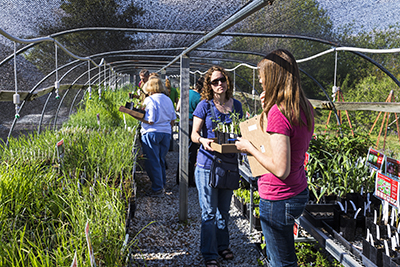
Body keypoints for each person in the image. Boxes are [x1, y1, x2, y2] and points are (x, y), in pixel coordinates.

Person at [235, 49, 315, 267]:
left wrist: (249, 147)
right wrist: (266, 110)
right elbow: (284, 144)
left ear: (273, 77)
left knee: (281, 262)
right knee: (284, 256)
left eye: (263, 78)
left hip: (278, 196)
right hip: (297, 190)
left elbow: (280, 168)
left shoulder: (279, 113)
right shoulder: (304, 106)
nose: (261, 82)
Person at [191, 66, 243, 267]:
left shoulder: (236, 105)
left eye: (222, 80)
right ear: (209, 86)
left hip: (228, 164)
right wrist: (203, 140)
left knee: (224, 210)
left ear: (227, 81)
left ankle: (223, 246)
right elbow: (194, 134)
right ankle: (209, 253)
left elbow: (240, 131)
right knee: (209, 212)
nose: (219, 84)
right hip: (207, 164)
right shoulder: (204, 105)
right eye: (215, 82)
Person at [137, 75, 176, 197]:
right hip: (165, 134)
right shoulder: (167, 99)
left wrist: (136, 115)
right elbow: (173, 119)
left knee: (152, 161)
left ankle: (157, 188)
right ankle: (162, 184)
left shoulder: (150, 100)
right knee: (160, 159)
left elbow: (150, 120)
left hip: (151, 133)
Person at [175, 76, 204, 187]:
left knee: (183, 150)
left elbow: (177, 108)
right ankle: (189, 180)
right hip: (192, 124)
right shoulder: (200, 99)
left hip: (183, 122)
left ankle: (179, 178)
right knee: (191, 152)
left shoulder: (186, 93)